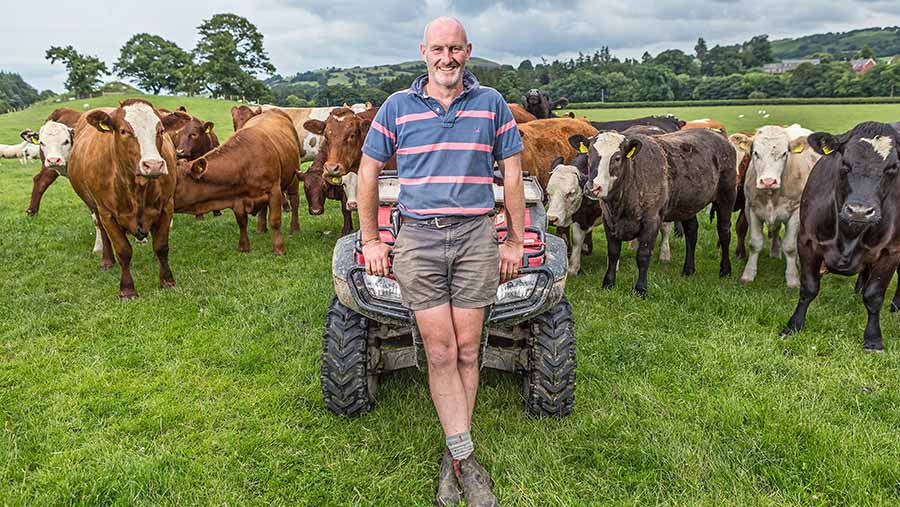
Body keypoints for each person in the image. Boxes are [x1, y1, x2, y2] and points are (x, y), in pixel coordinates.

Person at [357, 16, 525, 507]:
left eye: (455, 49)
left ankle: (455, 453)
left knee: (470, 348)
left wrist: (514, 241)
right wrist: (371, 239)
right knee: (440, 351)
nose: (447, 58)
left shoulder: (491, 104)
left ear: (467, 51)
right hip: (419, 242)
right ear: (423, 52)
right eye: (438, 49)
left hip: (475, 236)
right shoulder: (396, 107)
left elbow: (511, 177)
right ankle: (464, 459)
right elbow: (368, 173)